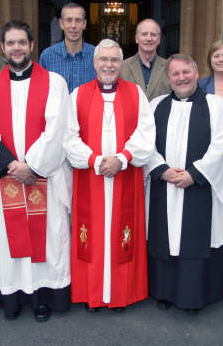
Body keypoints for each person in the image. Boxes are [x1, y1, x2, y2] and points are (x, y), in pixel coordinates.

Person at [0, 20, 72, 322]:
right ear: (3, 47)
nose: (16, 48)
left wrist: (34, 166)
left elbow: (58, 130)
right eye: (11, 43)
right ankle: (13, 298)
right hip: (8, 180)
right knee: (8, 240)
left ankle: (42, 298)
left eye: (22, 42)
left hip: (45, 179)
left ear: (31, 46)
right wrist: (11, 166)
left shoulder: (54, 83)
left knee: (46, 240)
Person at [64, 39, 156, 311]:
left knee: (121, 233)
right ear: (94, 63)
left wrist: (123, 158)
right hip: (90, 179)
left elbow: (146, 133)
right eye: (103, 59)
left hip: (124, 178)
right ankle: (92, 293)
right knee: (91, 237)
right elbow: (68, 138)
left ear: (121, 63)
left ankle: (120, 295)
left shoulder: (136, 94)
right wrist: (93, 160)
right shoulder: (77, 95)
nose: (108, 65)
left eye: (114, 60)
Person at [145, 54, 223, 314]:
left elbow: (222, 144)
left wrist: (194, 174)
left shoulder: (214, 105)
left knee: (194, 238)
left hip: (199, 188)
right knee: (165, 236)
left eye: (186, 72)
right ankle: (163, 292)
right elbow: (145, 143)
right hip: (165, 185)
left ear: (196, 74)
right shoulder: (156, 105)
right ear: (169, 78)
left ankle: (193, 297)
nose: (181, 77)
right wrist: (162, 170)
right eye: (175, 74)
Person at [39, 2, 96, 92]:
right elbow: (41, 91)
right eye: (69, 20)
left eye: (78, 20)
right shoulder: (47, 56)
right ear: (61, 23)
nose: (73, 26)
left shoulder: (97, 55)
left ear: (84, 24)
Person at [120, 19, 170, 101]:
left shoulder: (169, 68)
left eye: (153, 35)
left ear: (159, 40)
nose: (149, 38)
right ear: (136, 39)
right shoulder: (122, 68)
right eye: (144, 34)